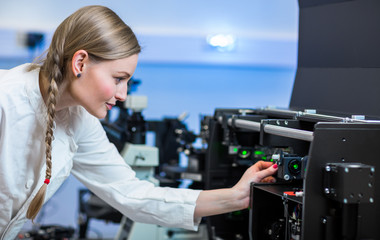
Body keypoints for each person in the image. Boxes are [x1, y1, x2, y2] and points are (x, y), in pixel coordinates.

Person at [0, 5, 278, 239]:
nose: (122, 94)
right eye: (118, 78)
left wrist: (237, 197)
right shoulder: (6, 100)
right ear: (80, 63)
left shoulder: (78, 119)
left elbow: (133, 195)